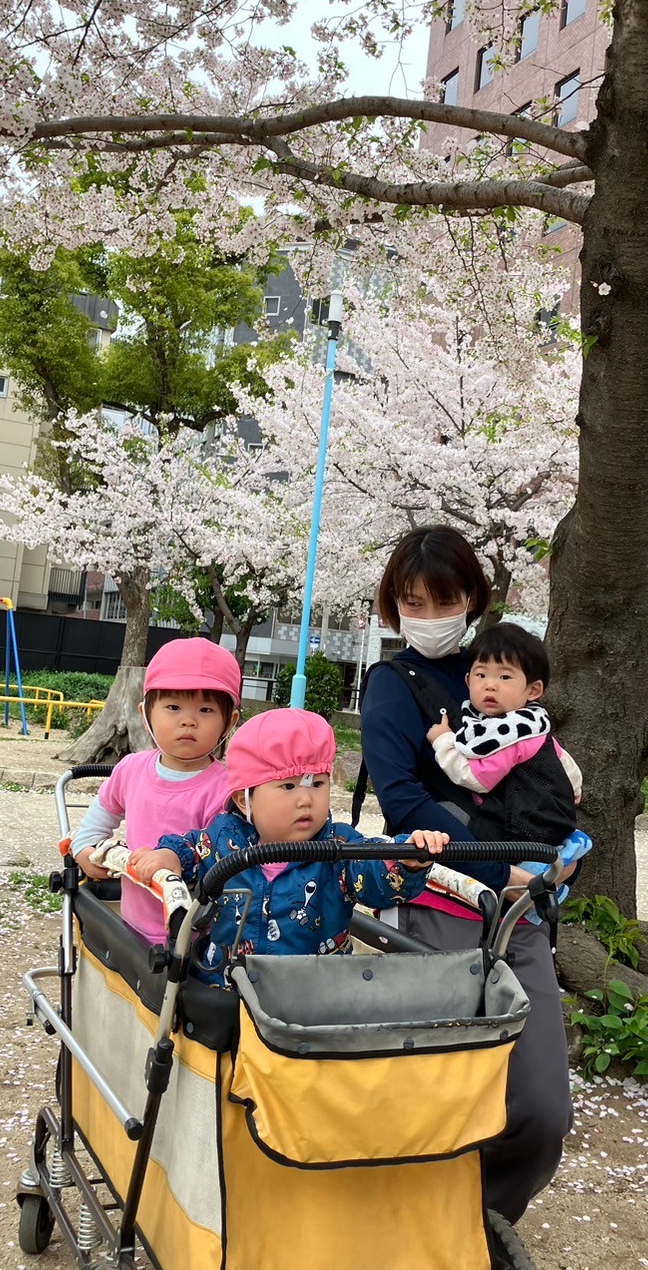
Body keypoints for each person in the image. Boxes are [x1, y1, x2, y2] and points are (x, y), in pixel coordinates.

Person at [359, 525, 580, 1226]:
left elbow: (544, 776)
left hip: (519, 911)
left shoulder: (501, 666)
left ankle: (481, 1223)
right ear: (395, 606)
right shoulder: (391, 687)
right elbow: (404, 802)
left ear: (473, 600)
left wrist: (557, 850)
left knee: (541, 1107)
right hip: (437, 903)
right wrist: (498, 864)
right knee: (435, 1092)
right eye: (413, 602)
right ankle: (422, 1231)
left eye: (446, 600)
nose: (430, 615)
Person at [132, 707, 448, 986]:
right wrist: (170, 855)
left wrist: (406, 859)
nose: (305, 799)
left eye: (318, 783)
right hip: (224, 990)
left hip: (313, 999)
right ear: (244, 799)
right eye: (287, 785)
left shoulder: (339, 847)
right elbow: (190, 847)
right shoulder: (223, 838)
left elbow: (374, 872)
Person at [69, 638, 243, 945]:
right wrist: (84, 851)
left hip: (194, 937)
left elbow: (224, 863)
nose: (188, 721)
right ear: (146, 713)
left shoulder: (226, 789)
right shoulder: (130, 769)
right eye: (173, 707)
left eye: (205, 710)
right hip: (131, 927)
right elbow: (96, 823)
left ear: (228, 722)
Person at [427, 620, 588, 878]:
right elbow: (565, 762)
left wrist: (443, 740)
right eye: (481, 675)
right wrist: (574, 790)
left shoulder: (511, 737)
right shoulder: (530, 726)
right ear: (468, 680)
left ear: (533, 690)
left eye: (504, 677)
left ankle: (524, 877)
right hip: (538, 824)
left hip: (512, 831)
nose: (490, 685)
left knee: (441, 813)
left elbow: (476, 778)